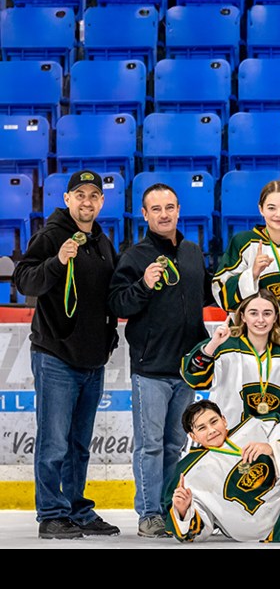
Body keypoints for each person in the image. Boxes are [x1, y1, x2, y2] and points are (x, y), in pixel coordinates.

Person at [12, 169, 121, 539]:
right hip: (56, 355)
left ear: (101, 202)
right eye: (80, 195)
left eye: (94, 195)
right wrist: (57, 261)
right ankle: (51, 513)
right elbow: (25, 281)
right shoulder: (51, 235)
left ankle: (76, 508)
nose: (87, 201)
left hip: (93, 360)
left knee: (78, 443)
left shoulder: (104, 243)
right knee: (54, 440)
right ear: (67, 200)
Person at [107, 183, 215, 538]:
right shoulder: (135, 256)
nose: (164, 214)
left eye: (170, 207)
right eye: (156, 209)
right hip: (151, 368)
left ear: (179, 209)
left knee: (174, 444)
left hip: (186, 369)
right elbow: (119, 304)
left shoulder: (192, 251)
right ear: (145, 214)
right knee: (150, 444)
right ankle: (148, 513)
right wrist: (143, 285)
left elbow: (208, 293)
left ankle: (169, 507)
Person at [162, 399, 280, 543]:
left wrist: (272, 449)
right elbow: (192, 533)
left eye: (214, 421)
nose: (212, 430)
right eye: (202, 428)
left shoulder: (258, 424)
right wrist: (183, 511)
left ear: (224, 420)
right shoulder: (188, 473)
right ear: (193, 436)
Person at [212, 180, 280, 356]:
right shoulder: (244, 242)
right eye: (271, 208)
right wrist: (252, 275)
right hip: (252, 345)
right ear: (261, 209)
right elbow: (220, 292)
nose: (279, 214)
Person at [182, 289, 280, 428]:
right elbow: (194, 379)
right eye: (253, 313)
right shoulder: (222, 347)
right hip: (227, 439)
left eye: (267, 313)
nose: (261, 319)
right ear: (243, 316)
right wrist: (213, 344)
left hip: (269, 442)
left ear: (275, 317)